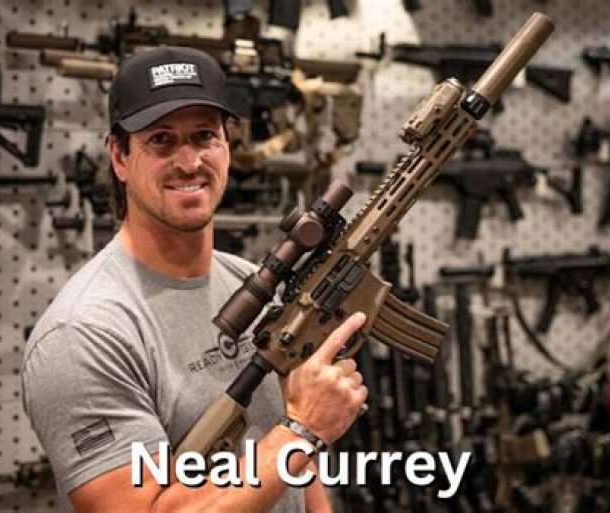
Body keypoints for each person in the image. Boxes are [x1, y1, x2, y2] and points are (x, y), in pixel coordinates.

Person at [22, 46, 368, 513]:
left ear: (226, 147)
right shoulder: (83, 333)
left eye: (204, 136)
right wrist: (304, 430)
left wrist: (302, 438)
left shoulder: (252, 286)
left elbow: (300, 479)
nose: (189, 162)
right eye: (161, 140)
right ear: (119, 157)